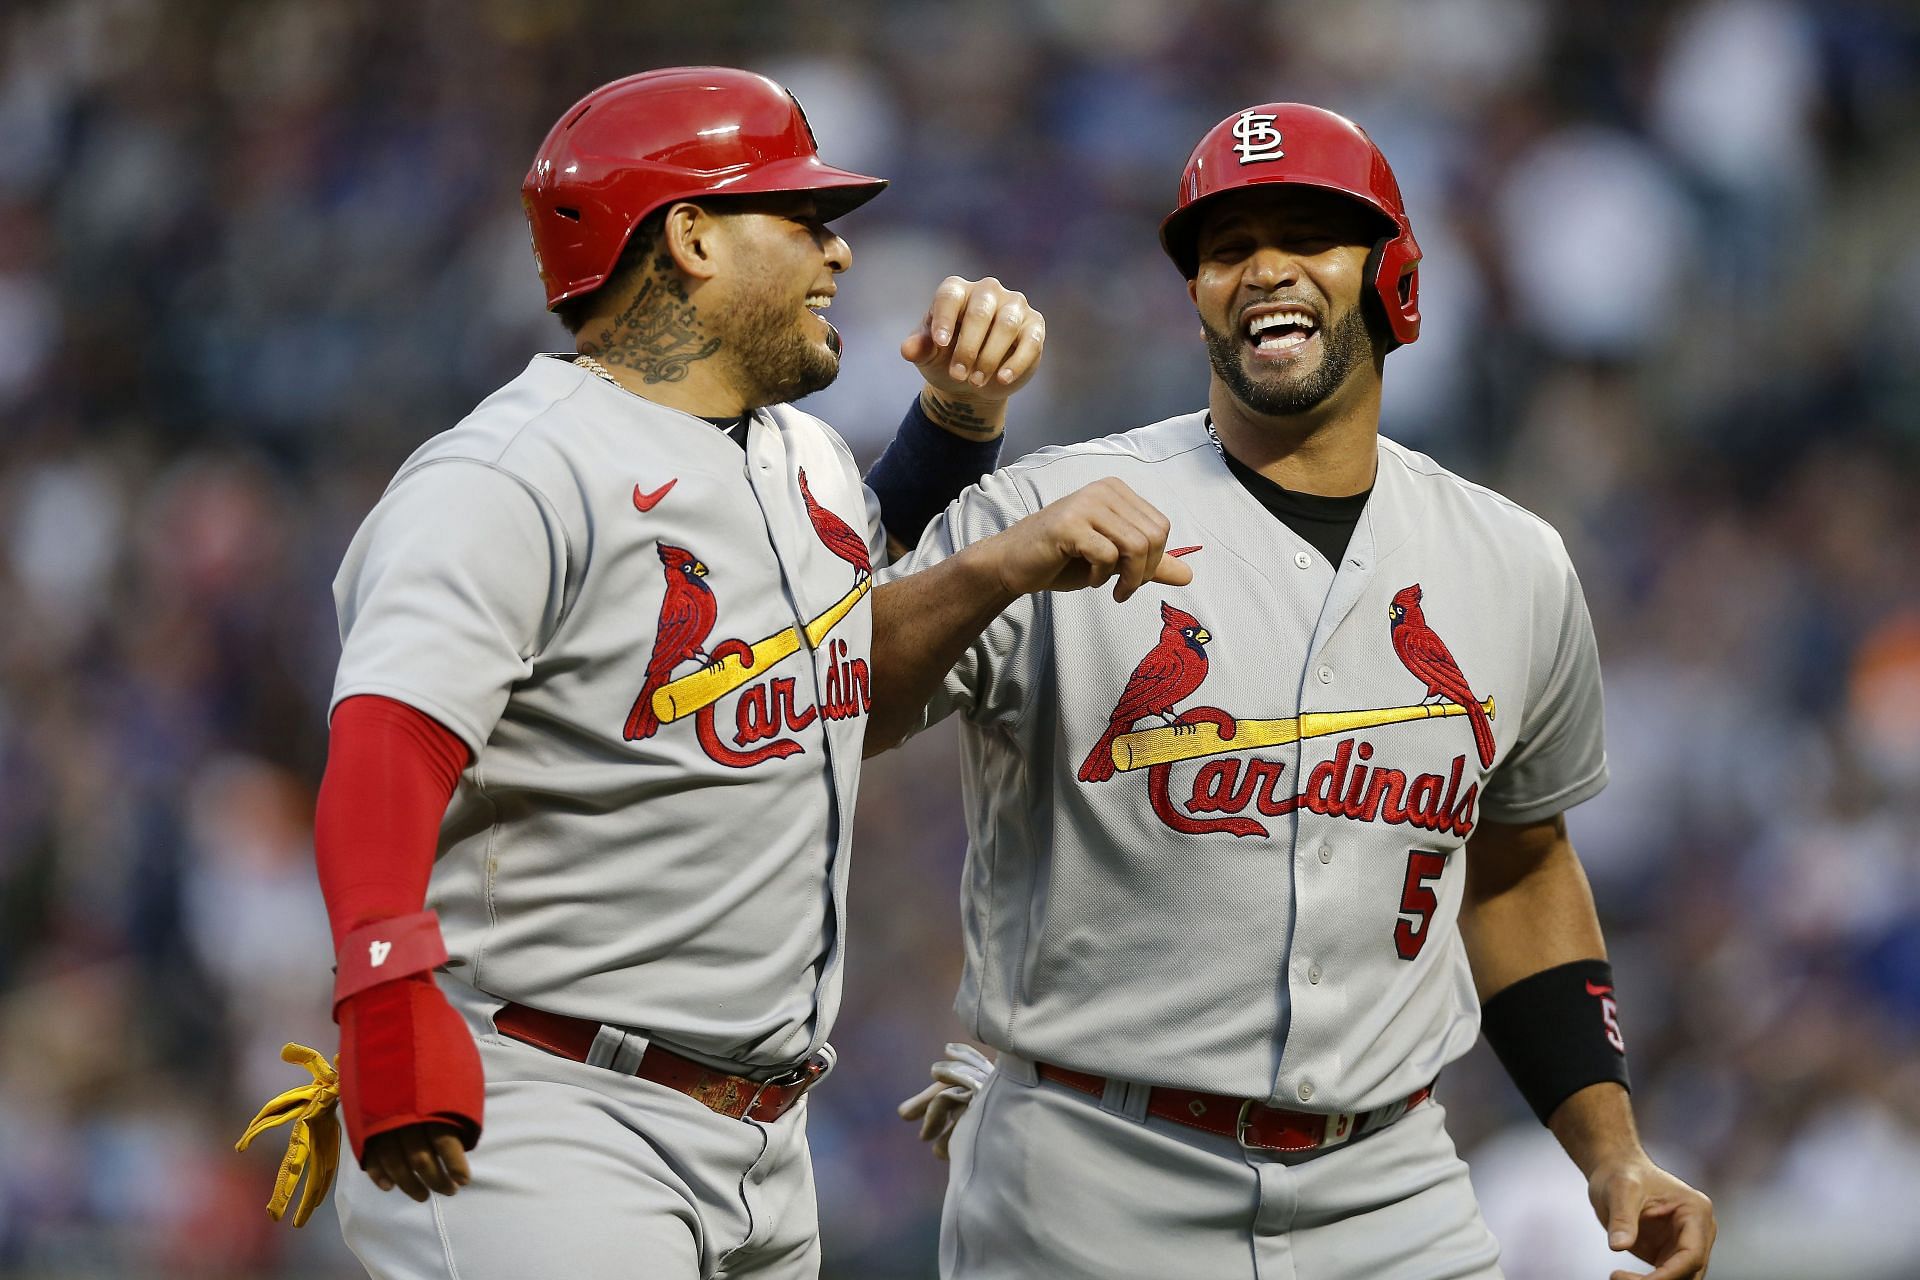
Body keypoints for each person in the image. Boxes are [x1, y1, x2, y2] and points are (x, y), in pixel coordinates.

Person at [244, 67, 1190, 1279]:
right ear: (688, 236)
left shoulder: (797, 451)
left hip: (760, 1140)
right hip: (550, 1113)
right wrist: (385, 991)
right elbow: (389, 739)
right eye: (798, 218)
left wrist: (956, 420)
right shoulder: (509, 474)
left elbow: (839, 604)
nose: (837, 255)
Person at [873, 103, 1718, 1280]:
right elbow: (826, 713)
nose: (1265, 266)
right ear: (1200, 298)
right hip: (1090, 1178)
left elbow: (1520, 866)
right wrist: (988, 572)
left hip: (1391, 1189)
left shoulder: (1511, 560)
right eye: (1228, 249)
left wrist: (1612, 1151)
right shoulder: (1044, 508)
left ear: (1394, 280)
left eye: (1310, 233)